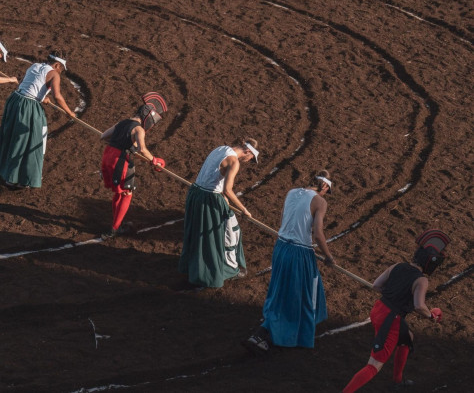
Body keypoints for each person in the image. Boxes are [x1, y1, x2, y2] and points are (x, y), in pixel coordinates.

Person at [342, 229, 450, 392]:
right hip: (390, 320)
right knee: (374, 365)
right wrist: (431, 316)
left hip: (378, 309)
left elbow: (377, 285)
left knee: (407, 338)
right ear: (431, 263)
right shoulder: (421, 280)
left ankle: (397, 381)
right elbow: (419, 305)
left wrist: (394, 293)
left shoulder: (397, 266)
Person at [245, 170, 336, 352]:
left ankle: (271, 329)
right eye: (327, 189)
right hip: (299, 252)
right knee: (300, 294)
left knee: (279, 290)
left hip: (281, 247)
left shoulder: (291, 192)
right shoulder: (320, 201)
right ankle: (267, 333)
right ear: (324, 186)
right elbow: (318, 234)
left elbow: (283, 219)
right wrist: (329, 256)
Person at [178, 139, 259, 288]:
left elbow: (213, 175)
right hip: (208, 199)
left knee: (199, 234)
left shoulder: (221, 148)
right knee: (219, 235)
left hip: (195, 193)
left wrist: (223, 197)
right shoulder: (234, 162)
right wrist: (243, 209)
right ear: (248, 151)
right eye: (251, 158)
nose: (249, 161)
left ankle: (195, 268)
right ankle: (219, 272)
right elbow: (228, 189)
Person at [0, 51, 76, 188]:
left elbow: (28, 85)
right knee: (30, 139)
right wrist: (70, 113)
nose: (60, 72)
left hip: (15, 100)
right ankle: (17, 178)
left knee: (13, 136)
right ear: (57, 64)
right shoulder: (54, 74)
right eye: (61, 68)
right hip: (28, 106)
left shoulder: (34, 66)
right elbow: (57, 96)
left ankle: (7, 170)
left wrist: (41, 97)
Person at [99, 92, 168, 239]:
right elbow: (141, 149)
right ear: (148, 118)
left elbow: (103, 136)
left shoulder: (121, 123)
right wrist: (154, 160)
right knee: (126, 193)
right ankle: (114, 228)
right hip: (120, 161)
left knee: (119, 192)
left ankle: (115, 223)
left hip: (107, 156)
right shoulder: (139, 129)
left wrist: (120, 143)